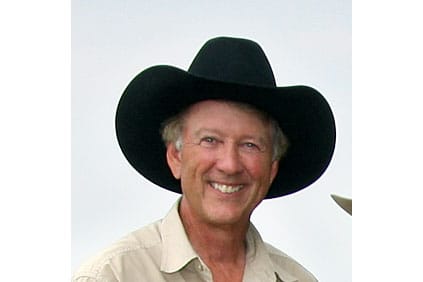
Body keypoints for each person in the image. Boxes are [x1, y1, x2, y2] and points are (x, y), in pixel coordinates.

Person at [73, 36, 336, 282]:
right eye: (210, 140)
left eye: (250, 145)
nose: (230, 164)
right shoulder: (115, 275)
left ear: (272, 168)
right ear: (175, 156)